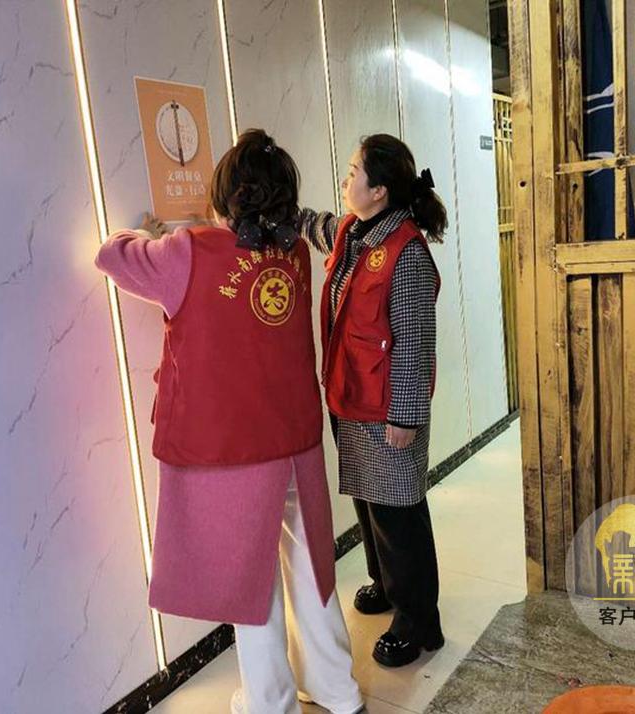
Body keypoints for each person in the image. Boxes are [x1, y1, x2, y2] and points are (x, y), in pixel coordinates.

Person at [95, 129, 363, 714]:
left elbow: (112, 254)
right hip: (296, 439)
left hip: (236, 449)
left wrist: (150, 234)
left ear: (224, 195)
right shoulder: (293, 253)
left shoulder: (188, 251)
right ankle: (337, 688)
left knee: (251, 583)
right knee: (312, 567)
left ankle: (269, 702)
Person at [295, 133, 445, 668]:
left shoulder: (406, 253)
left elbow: (414, 343)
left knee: (398, 515)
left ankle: (418, 624)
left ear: (379, 190)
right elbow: (318, 225)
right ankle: (385, 584)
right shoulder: (354, 233)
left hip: (387, 412)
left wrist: (405, 416)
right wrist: (278, 211)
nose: (346, 179)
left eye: (354, 172)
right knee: (369, 503)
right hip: (352, 399)